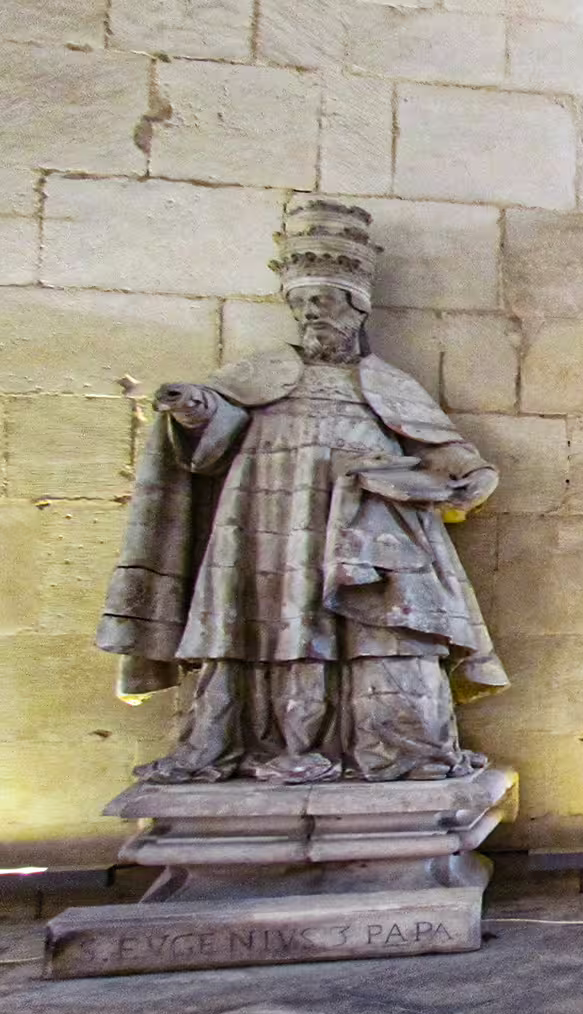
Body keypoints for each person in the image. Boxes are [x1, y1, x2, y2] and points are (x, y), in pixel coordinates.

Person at [97, 200, 508, 784]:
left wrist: (473, 475)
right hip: (266, 526)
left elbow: (444, 451)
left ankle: (397, 744)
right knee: (271, 627)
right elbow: (217, 431)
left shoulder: (387, 384)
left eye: (326, 298)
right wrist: (194, 409)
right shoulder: (260, 374)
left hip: (369, 533)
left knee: (389, 636)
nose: (313, 311)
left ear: (356, 305)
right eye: (302, 300)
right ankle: (267, 745)